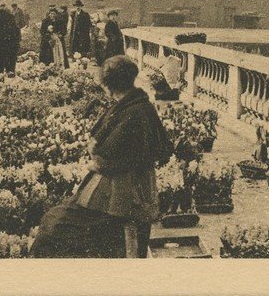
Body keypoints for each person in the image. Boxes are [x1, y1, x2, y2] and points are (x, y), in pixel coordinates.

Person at [31, 56, 173, 258]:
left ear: (108, 86)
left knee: (54, 226)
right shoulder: (139, 105)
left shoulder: (132, 111)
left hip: (122, 195)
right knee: (58, 219)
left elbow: (107, 154)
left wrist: (96, 160)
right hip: (132, 187)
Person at [0, 4, 21, 75]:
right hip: (12, 41)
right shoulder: (11, 17)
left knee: (0, 58)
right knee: (11, 58)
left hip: (2, 41)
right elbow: (17, 31)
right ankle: (10, 71)